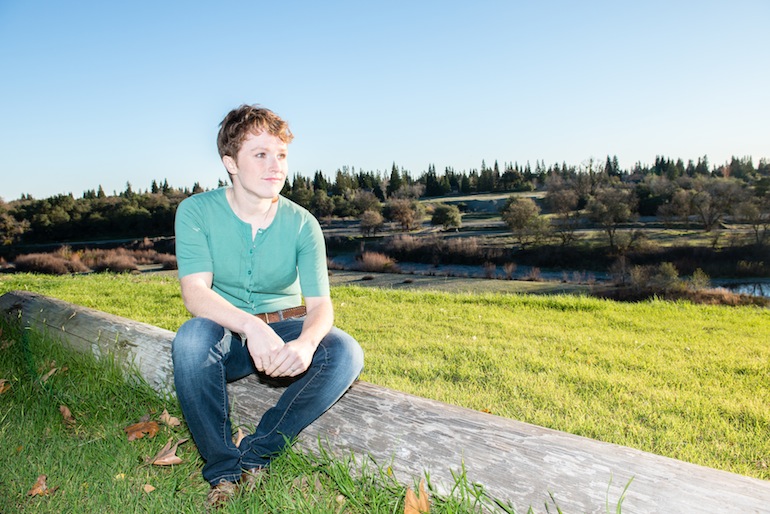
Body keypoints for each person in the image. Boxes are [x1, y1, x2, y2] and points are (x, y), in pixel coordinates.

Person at [172, 104, 364, 508]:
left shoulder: (302, 223)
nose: (275, 166)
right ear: (231, 163)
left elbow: (320, 306)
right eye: (260, 154)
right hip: (228, 334)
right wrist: (251, 327)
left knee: (345, 351)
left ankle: (257, 454)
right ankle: (223, 472)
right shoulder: (196, 211)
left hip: (284, 332)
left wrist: (306, 344)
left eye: (281, 155)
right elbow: (195, 293)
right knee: (190, 340)